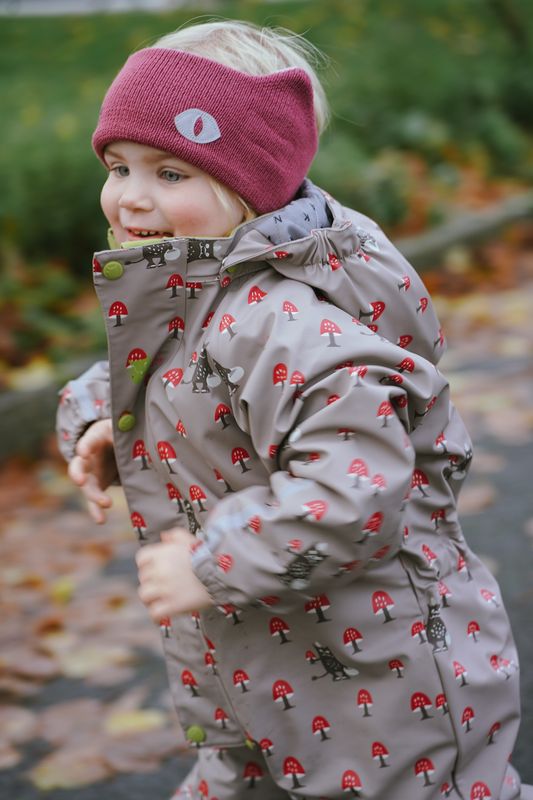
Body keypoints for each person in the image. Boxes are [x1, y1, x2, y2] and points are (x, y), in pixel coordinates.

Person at [56, 19, 532, 800]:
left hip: (379, 683)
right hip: (250, 664)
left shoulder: (291, 325)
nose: (131, 196)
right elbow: (151, 373)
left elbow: (354, 491)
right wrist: (97, 418)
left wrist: (209, 564)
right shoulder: (192, 290)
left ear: (253, 182)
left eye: (170, 173)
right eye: (119, 165)